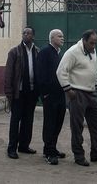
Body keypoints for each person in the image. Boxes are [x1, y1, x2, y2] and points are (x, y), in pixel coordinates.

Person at [57, 29, 97, 166]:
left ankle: (96, 152)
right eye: (91, 43)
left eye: (95, 43)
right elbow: (60, 71)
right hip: (76, 93)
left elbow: (94, 70)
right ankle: (78, 155)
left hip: (90, 93)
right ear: (84, 40)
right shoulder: (72, 52)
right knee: (77, 126)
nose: (94, 46)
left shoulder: (92, 51)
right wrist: (68, 89)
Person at [4, 27, 40, 159]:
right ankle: (12, 148)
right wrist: (9, 92)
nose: (26, 35)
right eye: (24, 33)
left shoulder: (37, 51)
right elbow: (8, 74)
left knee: (28, 120)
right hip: (18, 93)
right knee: (15, 120)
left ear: (33, 36)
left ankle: (24, 145)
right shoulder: (15, 52)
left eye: (28, 33)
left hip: (31, 92)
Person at [36, 29, 66, 165]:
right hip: (50, 96)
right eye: (59, 36)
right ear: (52, 38)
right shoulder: (45, 52)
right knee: (50, 123)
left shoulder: (57, 53)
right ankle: (49, 152)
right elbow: (40, 74)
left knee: (58, 122)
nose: (62, 38)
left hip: (60, 94)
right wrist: (45, 93)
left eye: (62, 36)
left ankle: (52, 148)